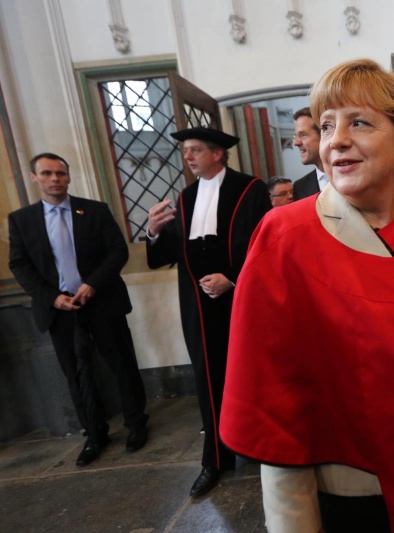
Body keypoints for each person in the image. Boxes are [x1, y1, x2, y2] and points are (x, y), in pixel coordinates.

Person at [221, 59, 394, 533]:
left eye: (359, 122)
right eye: (326, 125)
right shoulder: (284, 240)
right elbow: (278, 411)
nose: (336, 140)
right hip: (364, 497)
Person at [145, 127, 270, 497]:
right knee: (208, 379)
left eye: (195, 150)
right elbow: (162, 257)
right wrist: (152, 232)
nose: (188, 156)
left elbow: (265, 244)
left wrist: (231, 279)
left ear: (218, 153)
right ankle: (215, 458)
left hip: (240, 298)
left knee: (252, 372)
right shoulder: (185, 198)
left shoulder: (249, 189)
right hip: (198, 306)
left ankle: (265, 448)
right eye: (186, 151)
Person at [8, 153, 149, 467]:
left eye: (60, 173)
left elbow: (117, 251)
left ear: (68, 177)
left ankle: (137, 424)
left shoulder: (94, 211)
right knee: (76, 374)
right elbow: (20, 264)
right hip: (60, 310)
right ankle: (95, 434)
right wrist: (51, 297)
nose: (55, 179)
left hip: (102, 303)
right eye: (47, 173)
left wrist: (93, 283)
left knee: (121, 366)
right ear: (34, 178)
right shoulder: (22, 220)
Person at [291, 107, 328, 200]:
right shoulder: (300, 187)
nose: (296, 143)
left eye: (303, 135)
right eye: (296, 136)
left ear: (324, 135)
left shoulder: (354, 177)